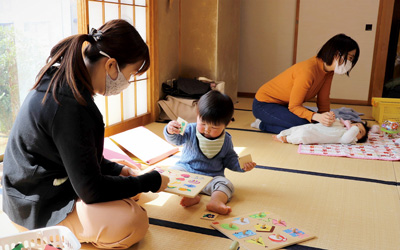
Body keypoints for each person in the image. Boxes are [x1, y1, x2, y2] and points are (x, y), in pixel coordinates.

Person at [1, 19, 169, 249]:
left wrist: (118, 170)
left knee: (122, 175)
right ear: (111, 65)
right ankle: (50, 235)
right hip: (34, 208)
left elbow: (77, 152)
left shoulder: (64, 81)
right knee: (134, 220)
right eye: (129, 74)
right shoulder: (71, 106)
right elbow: (92, 190)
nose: (127, 82)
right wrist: (150, 181)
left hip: (33, 190)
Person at [164, 90, 256, 215]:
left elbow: (230, 159)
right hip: (187, 173)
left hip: (211, 179)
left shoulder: (226, 140)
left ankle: (216, 201)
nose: (207, 130)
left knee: (226, 184)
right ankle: (191, 196)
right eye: (203, 123)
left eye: (214, 128)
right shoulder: (190, 129)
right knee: (171, 173)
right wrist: (170, 130)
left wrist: (242, 166)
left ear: (226, 124)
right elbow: (176, 140)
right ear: (197, 115)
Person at [252, 33, 360, 134]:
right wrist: (317, 117)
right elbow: (294, 106)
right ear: (336, 54)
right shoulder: (308, 71)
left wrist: (326, 117)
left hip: (284, 105)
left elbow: (323, 100)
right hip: (264, 104)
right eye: (349, 58)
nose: (350, 63)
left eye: (352, 59)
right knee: (304, 126)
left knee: (314, 125)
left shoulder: (328, 72)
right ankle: (262, 124)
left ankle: (275, 120)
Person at [273, 119, 369, 145]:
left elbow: (347, 139)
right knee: (294, 129)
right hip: (313, 127)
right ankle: (281, 134)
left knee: (302, 135)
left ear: (357, 139)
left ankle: (286, 139)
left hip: (313, 135)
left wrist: (355, 129)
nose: (356, 129)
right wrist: (331, 117)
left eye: (360, 132)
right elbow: (329, 122)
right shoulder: (341, 124)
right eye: (356, 125)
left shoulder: (346, 137)